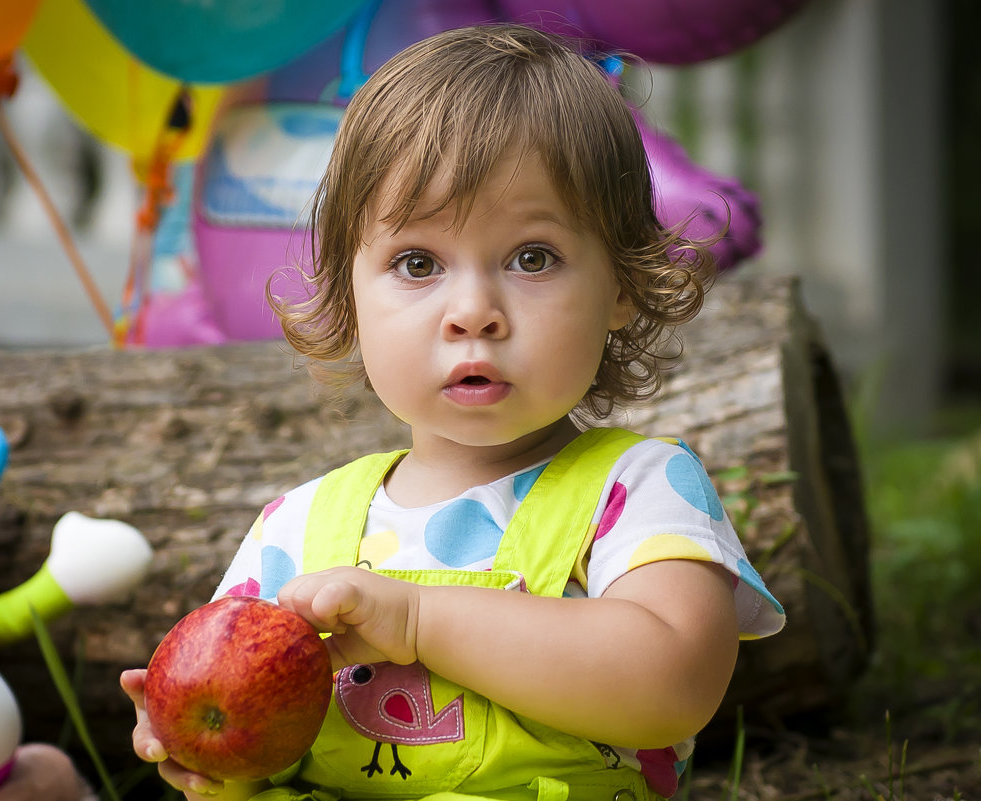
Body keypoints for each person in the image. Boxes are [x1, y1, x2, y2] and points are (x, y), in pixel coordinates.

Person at [122, 23, 785, 801]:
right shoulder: (296, 529)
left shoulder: (637, 493)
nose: (473, 310)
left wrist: (423, 622)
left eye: (531, 257)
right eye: (417, 263)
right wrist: (210, 746)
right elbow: (254, 715)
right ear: (349, 297)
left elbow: (672, 682)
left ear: (622, 286)